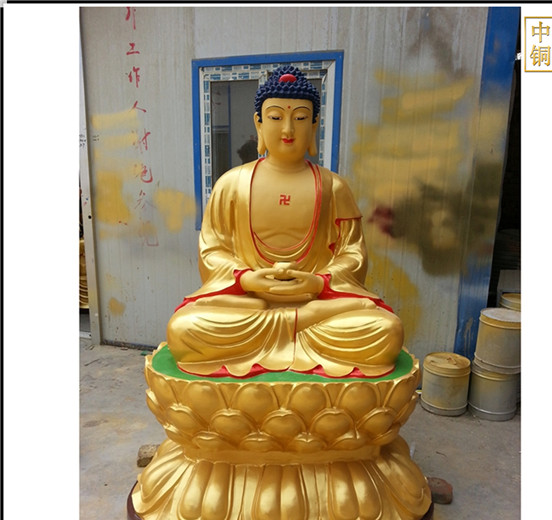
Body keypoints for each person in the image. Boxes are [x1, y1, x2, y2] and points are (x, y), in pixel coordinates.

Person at [167, 66, 404, 378]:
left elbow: (353, 255)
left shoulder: (333, 187)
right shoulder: (231, 184)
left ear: (315, 124)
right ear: (259, 123)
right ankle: (293, 329)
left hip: (316, 304)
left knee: (387, 331)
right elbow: (212, 251)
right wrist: (246, 280)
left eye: (301, 118)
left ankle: (295, 326)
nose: (288, 129)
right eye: (276, 117)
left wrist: (319, 282)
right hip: (250, 304)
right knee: (183, 329)